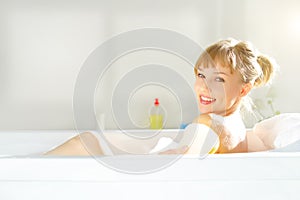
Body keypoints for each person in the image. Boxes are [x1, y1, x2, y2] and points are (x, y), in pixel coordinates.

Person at [45, 38, 278, 156]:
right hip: (140, 150)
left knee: (85, 141)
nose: (203, 87)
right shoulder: (237, 126)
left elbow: (184, 157)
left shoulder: (207, 124)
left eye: (218, 79)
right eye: (200, 75)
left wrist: (166, 154)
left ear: (244, 89)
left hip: (113, 157)